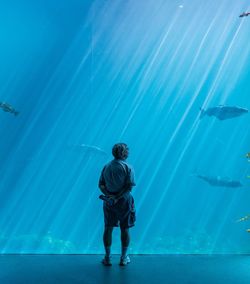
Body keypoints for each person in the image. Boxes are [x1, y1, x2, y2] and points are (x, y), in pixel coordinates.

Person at [98, 143, 136, 266]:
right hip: (124, 201)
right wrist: (117, 197)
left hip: (109, 202)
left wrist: (109, 196)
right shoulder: (128, 167)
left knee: (108, 228)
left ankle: (107, 258)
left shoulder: (106, 166)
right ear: (123, 153)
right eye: (127, 151)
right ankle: (123, 258)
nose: (129, 153)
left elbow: (101, 185)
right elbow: (129, 186)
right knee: (125, 228)